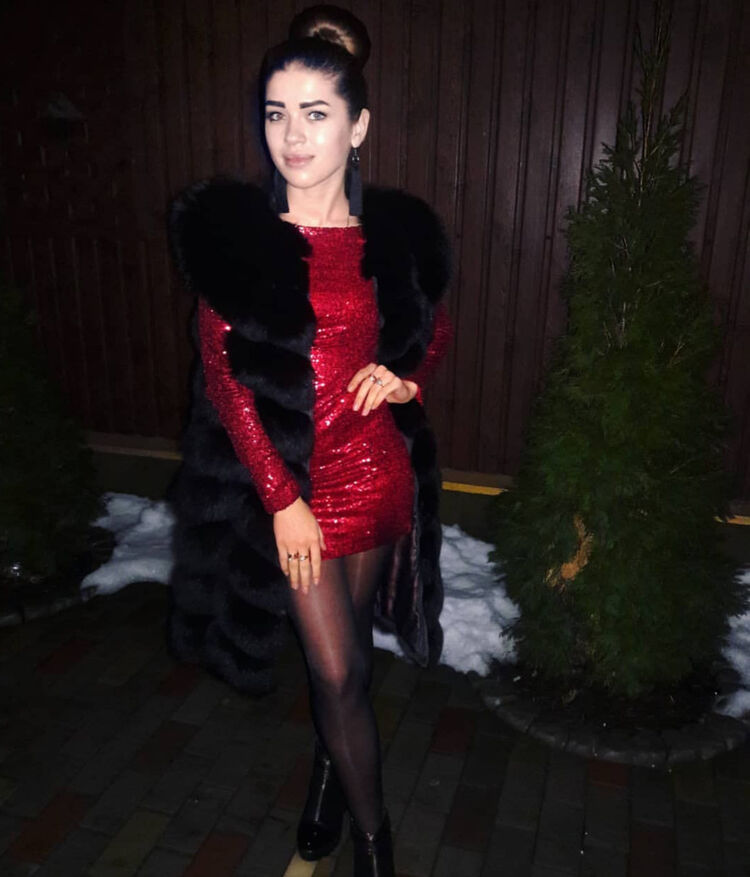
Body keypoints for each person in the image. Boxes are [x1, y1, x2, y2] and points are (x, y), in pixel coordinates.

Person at [164, 5, 452, 875]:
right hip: (293, 486)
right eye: (276, 113)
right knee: (332, 672)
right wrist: (282, 499)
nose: (292, 135)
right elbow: (225, 380)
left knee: (350, 664)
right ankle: (374, 842)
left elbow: (431, 324)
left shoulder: (391, 237)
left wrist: (408, 378)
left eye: (316, 114)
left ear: (357, 127)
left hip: (375, 469)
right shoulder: (239, 240)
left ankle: (331, 778)